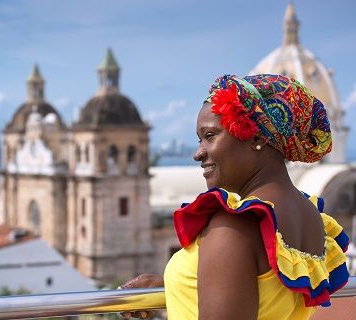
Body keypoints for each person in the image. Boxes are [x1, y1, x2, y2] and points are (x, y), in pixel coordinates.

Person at [120, 74, 349, 319]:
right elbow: (265, 296)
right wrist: (177, 284)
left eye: (210, 136)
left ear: (257, 137)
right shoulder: (311, 217)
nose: (198, 153)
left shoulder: (234, 224)